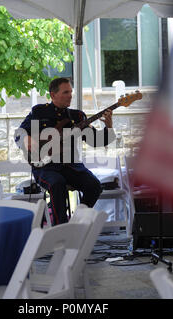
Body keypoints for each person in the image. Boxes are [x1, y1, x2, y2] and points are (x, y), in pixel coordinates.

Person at [14, 77, 116, 225]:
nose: (70, 95)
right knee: (57, 183)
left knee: (94, 186)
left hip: (71, 166)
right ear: (53, 95)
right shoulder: (39, 112)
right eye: (65, 92)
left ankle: (77, 222)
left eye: (71, 92)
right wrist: (26, 138)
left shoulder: (77, 116)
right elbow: (19, 133)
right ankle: (59, 228)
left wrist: (109, 126)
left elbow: (96, 140)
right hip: (45, 167)